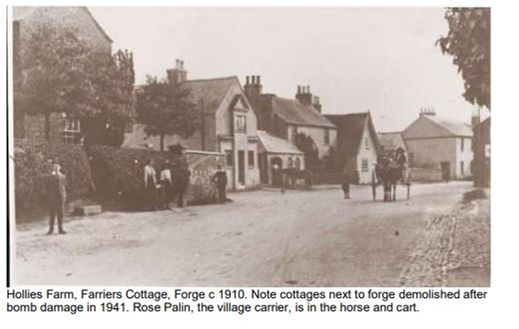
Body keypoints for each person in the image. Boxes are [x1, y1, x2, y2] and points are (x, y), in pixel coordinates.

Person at [47, 163, 67, 235]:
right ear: (53, 169)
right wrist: (52, 175)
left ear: (59, 168)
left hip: (60, 197)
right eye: (54, 167)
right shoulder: (50, 177)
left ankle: (60, 229)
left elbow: (63, 187)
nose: (55, 168)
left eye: (57, 167)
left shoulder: (63, 176)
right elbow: (48, 184)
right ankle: (51, 229)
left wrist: (64, 196)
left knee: (60, 214)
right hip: (53, 198)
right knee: (52, 214)